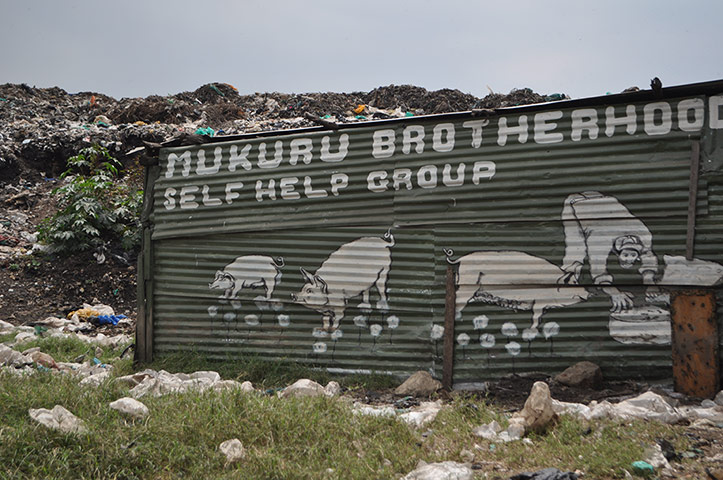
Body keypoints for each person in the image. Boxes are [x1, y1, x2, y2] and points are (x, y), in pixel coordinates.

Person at [558, 191, 659, 312]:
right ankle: (569, 280)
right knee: (576, 249)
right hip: (575, 204)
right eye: (626, 255)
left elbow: (648, 257)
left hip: (604, 199)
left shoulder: (644, 235)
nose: (629, 259)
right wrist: (614, 293)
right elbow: (599, 272)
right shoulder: (600, 240)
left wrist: (650, 282)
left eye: (633, 255)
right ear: (618, 253)